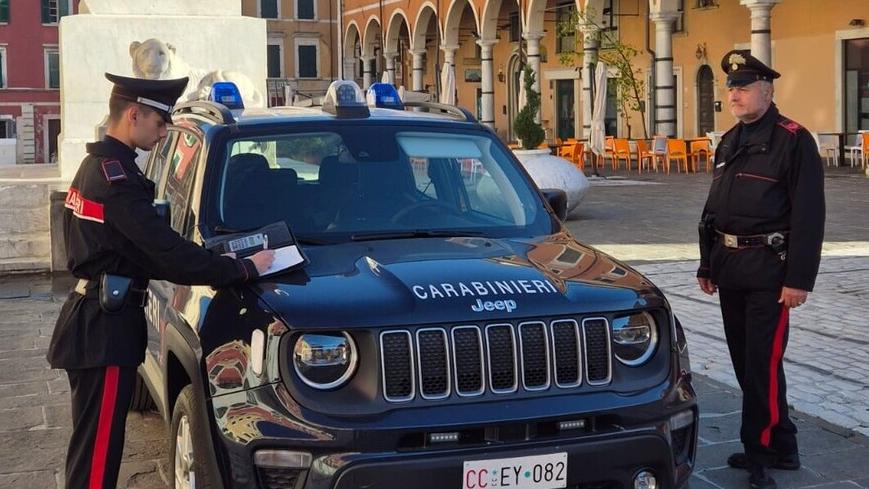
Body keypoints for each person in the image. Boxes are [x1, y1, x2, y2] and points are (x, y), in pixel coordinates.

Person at [47, 73, 275, 489]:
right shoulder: (116, 182)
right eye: (159, 121)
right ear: (134, 114)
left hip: (93, 319)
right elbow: (166, 253)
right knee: (98, 457)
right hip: (103, 329)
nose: (164, 130)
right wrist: (243, 268)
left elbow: (129, 248)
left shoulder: (96, 167)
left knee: (90, 449)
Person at [697, 50, 825, 489]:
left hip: (772, 272)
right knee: (746, 362)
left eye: (743, 87)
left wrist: (799, 279)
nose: (733, 93)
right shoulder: (730, 140)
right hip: (730, 267)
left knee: (762, 366)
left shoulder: (794, 140)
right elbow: (715, 208)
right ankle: (783, 444)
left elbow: (810, 215)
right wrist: (706, 262)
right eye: (731, 87)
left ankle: (759, 453)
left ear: (767, 93)